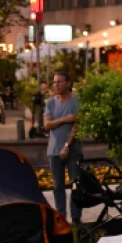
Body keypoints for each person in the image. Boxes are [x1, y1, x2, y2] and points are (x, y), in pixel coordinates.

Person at [45, 72, 82, 225]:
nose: (56, 85)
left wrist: (67, 145)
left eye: (59, 82)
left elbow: (77, 124)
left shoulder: (76, 101)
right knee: (57, 185)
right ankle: (61, 217)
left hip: (72, 150)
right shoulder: (51, 103)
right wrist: (65, 119)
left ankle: (76, 218)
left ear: (68, 83)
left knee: (75, 184)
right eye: (54, 82)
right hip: (53, 150)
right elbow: (47, 125)